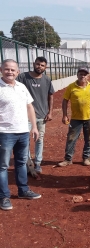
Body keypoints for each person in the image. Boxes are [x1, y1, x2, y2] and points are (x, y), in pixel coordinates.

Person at [0, 59, 42, 211]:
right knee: (3, 166)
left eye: (13, 70)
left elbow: (29, 106)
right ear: (1, 70)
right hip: (4, 133)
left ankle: (23, 190)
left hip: (23, 132)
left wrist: (34, 127)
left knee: (21, 163)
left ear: (18, 72)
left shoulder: (22, 87)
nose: (10, 72)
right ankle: (4, 196)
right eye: (7, 69)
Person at [16, 56, 54, 174]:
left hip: (42, 116)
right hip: (25, 116)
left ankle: (37, 163)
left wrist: (50, 112)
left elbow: (50, 95)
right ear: (34, 64)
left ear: (45, 67)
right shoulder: (23, 77)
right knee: (25, 140)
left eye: (42, 65)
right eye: (38, 64)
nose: (40, 67)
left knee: (39, 139)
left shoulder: (47, 80)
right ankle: (28, 163)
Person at [57, 67, 90, 167]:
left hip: (89, 118)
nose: (82, 76)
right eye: (80, 74)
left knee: (89, 139)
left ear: (88, 76)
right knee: (71, 139)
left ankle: (86, 158)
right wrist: (65, 115)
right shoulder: (71, 87)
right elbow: (65, 100)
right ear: (77, 75)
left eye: (85, 74)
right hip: (75, 119)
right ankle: (68, 159)